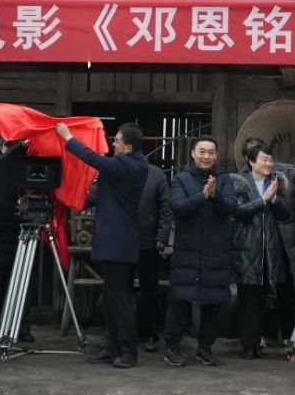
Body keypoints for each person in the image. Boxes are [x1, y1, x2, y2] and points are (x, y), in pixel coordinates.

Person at [57, 121, 149, 369]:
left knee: (120, 299)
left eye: (117, 140)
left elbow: (94, 159)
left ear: (128, 147)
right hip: (112, 240)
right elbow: (98, 195)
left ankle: (129, 351)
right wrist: (70, 197)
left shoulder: (131, 165)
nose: (113, 143)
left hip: (120, 241)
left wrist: (68, 138)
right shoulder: (123, 165)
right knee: (110, 298)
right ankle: (112, 346)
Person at [163, 136, 237, 367]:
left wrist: (214, 196)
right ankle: (172, 347)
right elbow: (177, 207)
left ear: (216, 155)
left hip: (216, 251)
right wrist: (202, 196)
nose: (206, 156)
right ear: (193, 154)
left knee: (212, 302)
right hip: (188, 251)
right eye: (202, 152)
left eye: (211, 152)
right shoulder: (181, 179)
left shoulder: (224, 179)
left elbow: (232, 207)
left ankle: (205, 347)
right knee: (180, 301)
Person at [230, 140, 295, 359]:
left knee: (264, 298)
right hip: (247, 247)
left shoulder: (278, 182)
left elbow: (288, 214)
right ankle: (248, 345)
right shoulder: (240, 182)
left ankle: (258, 340)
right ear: (251, 161)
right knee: (248, 298)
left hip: (270, 249)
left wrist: (275, 199)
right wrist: (264, 199)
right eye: (264, 159)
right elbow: (239, 210)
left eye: (271, 159)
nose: (269, 163)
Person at [0, 138, 33, 345]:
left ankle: (22, 327)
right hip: (1, 234)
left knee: (25, 282)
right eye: (9, 145)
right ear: (1, 147)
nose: (12, 149)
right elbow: (3, 161)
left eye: (16, 144)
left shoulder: (26, 166)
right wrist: (22, 145)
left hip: (25, 228)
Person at [136, 161, 172, 353]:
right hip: (121, 240)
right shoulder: (115, 168)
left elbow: (166, 207)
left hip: (148, 241)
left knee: (149, 290)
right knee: (120, 290)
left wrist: (162, 235)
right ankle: (123, 333)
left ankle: (150, 334)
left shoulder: (156, 174)